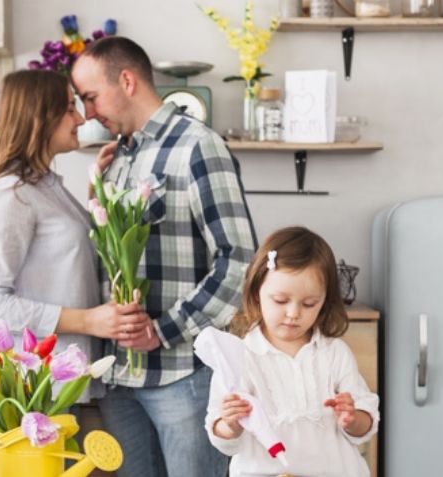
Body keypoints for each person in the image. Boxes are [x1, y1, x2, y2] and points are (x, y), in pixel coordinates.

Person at [71, 37, 257, 477]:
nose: (89, 113)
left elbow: (239, 261)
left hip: (182, 376)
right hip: (119, 381)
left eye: (92, 97)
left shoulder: (198, 146)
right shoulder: (115, 159)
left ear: (127, 81)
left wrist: (163, 330)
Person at [0, 69, 148, 403]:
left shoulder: (45, 187)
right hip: (26, 394)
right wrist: (89, 322)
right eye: (69, 108)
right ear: (39, 118)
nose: (81, 118)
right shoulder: (12, 196)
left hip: (53, 386)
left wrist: (98, 199)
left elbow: (60, 261)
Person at [206, 226, 379, 477]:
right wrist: (230, 424)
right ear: (257, 294)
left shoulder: (334, 353)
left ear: (324, 302)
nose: (293, 313)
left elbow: (366, 422)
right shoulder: (237, 357)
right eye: (280, 301)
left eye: (309, 304)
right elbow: (222, 436)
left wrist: (353, 419)